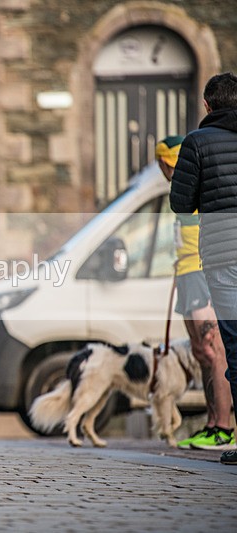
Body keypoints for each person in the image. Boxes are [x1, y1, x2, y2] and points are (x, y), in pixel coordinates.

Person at [171, 72, 237, 466]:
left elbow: (181, 204)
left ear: (208, 105)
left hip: (225, 258)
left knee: (235, 347)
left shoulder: (197, 142)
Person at [156, 136, 235, 450]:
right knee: (203, 353)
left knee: (213, 350)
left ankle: (224, 428)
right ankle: (212, 424)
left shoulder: (195, 170)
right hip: (187, 271)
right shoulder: (185, 178)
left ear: (163, 161)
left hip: (201, 270)